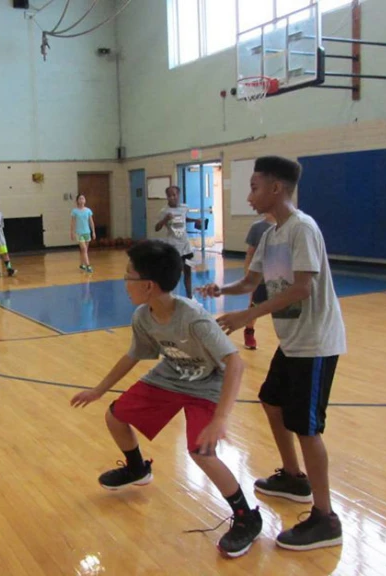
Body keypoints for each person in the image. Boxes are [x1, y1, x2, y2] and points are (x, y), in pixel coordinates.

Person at [71, 239, 262, 558]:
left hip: (207, 385)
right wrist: (99, 389)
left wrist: (220, 419)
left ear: (147, 285)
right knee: (115, 415)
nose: (124, 282)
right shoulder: (143, 316)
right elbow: (133, 356)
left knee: (201, 452)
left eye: (128, 276)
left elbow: (235, 363)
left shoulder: (193, 317)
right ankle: (137, 469)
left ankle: (247, 518)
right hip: (171, 376)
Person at [198, 156, 346, 551]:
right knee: (270, 401)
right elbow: (251, 280)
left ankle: (326, 518)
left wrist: (248, 314)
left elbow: (302, 289)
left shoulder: (302, 229)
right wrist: (222, 290)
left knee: (307, 426)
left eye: (254, 187)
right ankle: (295, 479)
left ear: (276, 189)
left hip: (315, 342)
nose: (249, 195)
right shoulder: (270, 233)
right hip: (293, 341)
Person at [155, 185, 202, 299]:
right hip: (173, 246)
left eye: (174, 195)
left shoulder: (184, 207)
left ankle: (190, 297)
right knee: (175, 272)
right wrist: (165, 219)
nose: (172, 197)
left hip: (186, 246)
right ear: (167, 197)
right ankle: (170, 297)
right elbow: (156, 228)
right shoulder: (164, 211)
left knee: (188, 272)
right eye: (169, 195)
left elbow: (183, 218)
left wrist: (195, 220)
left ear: (178, 195)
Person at [243, 215, 276, 349]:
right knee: (255, 305)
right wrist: (248, 274)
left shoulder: (291, 226)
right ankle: (249, 332)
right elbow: (250, 253)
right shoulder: (258, 227)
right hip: (262, 275)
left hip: (280, 274)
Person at [70, 194, 96, 273]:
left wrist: (93, 231)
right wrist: (72, 232)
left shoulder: (88, 210)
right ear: (77, 201)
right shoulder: (75, 211)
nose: (82, 200)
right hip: (79, 233)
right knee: (84, 249)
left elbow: (91, 222)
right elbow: (72, 223)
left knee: (84, 250)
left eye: (83, 198)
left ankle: (82, 264)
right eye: (80, 198)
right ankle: (88, 265)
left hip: (87, 232)